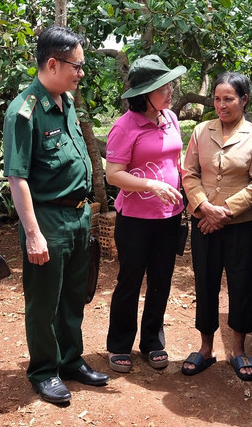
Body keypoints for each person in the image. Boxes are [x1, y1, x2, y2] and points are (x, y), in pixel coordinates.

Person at [3, 26, 108, 405]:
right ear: (52, 63)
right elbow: (18, 177)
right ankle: (44, 370)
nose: (81, 73)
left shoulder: (66, 101)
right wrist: (32, 233)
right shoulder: (24, 111)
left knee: (73, 297)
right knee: (45, 300)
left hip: (78, 217)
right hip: (47, 220)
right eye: (76, 66)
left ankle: (71, 360)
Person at [181, 72, 252, 381]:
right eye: (217, 99)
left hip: (240, 224)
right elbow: (189, 173)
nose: (221, 105)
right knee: (205, 282)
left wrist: (223, 212)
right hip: (203, 221)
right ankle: (205, 348)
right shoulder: (200, 131)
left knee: (241, 283)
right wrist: (204, 207)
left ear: (244, 99)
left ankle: (238, 349)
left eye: (229, 99)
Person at [105, 55, 186, 374]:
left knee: (161, 280)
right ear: (143, 94)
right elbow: (113, 174)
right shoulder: (125, 126)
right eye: (161, 87)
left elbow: (175, 160)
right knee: (130, 280)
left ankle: (152, 341)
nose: (169, 91)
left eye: (169, 84)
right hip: (135, 220)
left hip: (170, 217)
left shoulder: (170, 118)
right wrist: (150, 185)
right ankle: (119, 344)